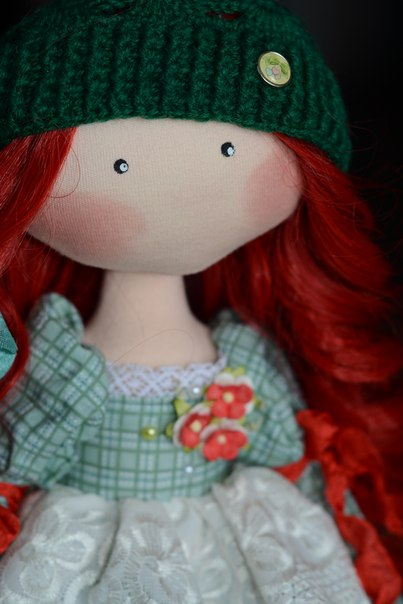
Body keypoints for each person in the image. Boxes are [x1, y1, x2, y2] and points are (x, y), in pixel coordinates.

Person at [0, 0, 402, 602]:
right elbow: (21, 456)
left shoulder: (242, 349)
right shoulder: (61, 351)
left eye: (228, 151)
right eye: (119, 165)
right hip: (84, 540)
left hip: (224, 536)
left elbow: (286, 448)